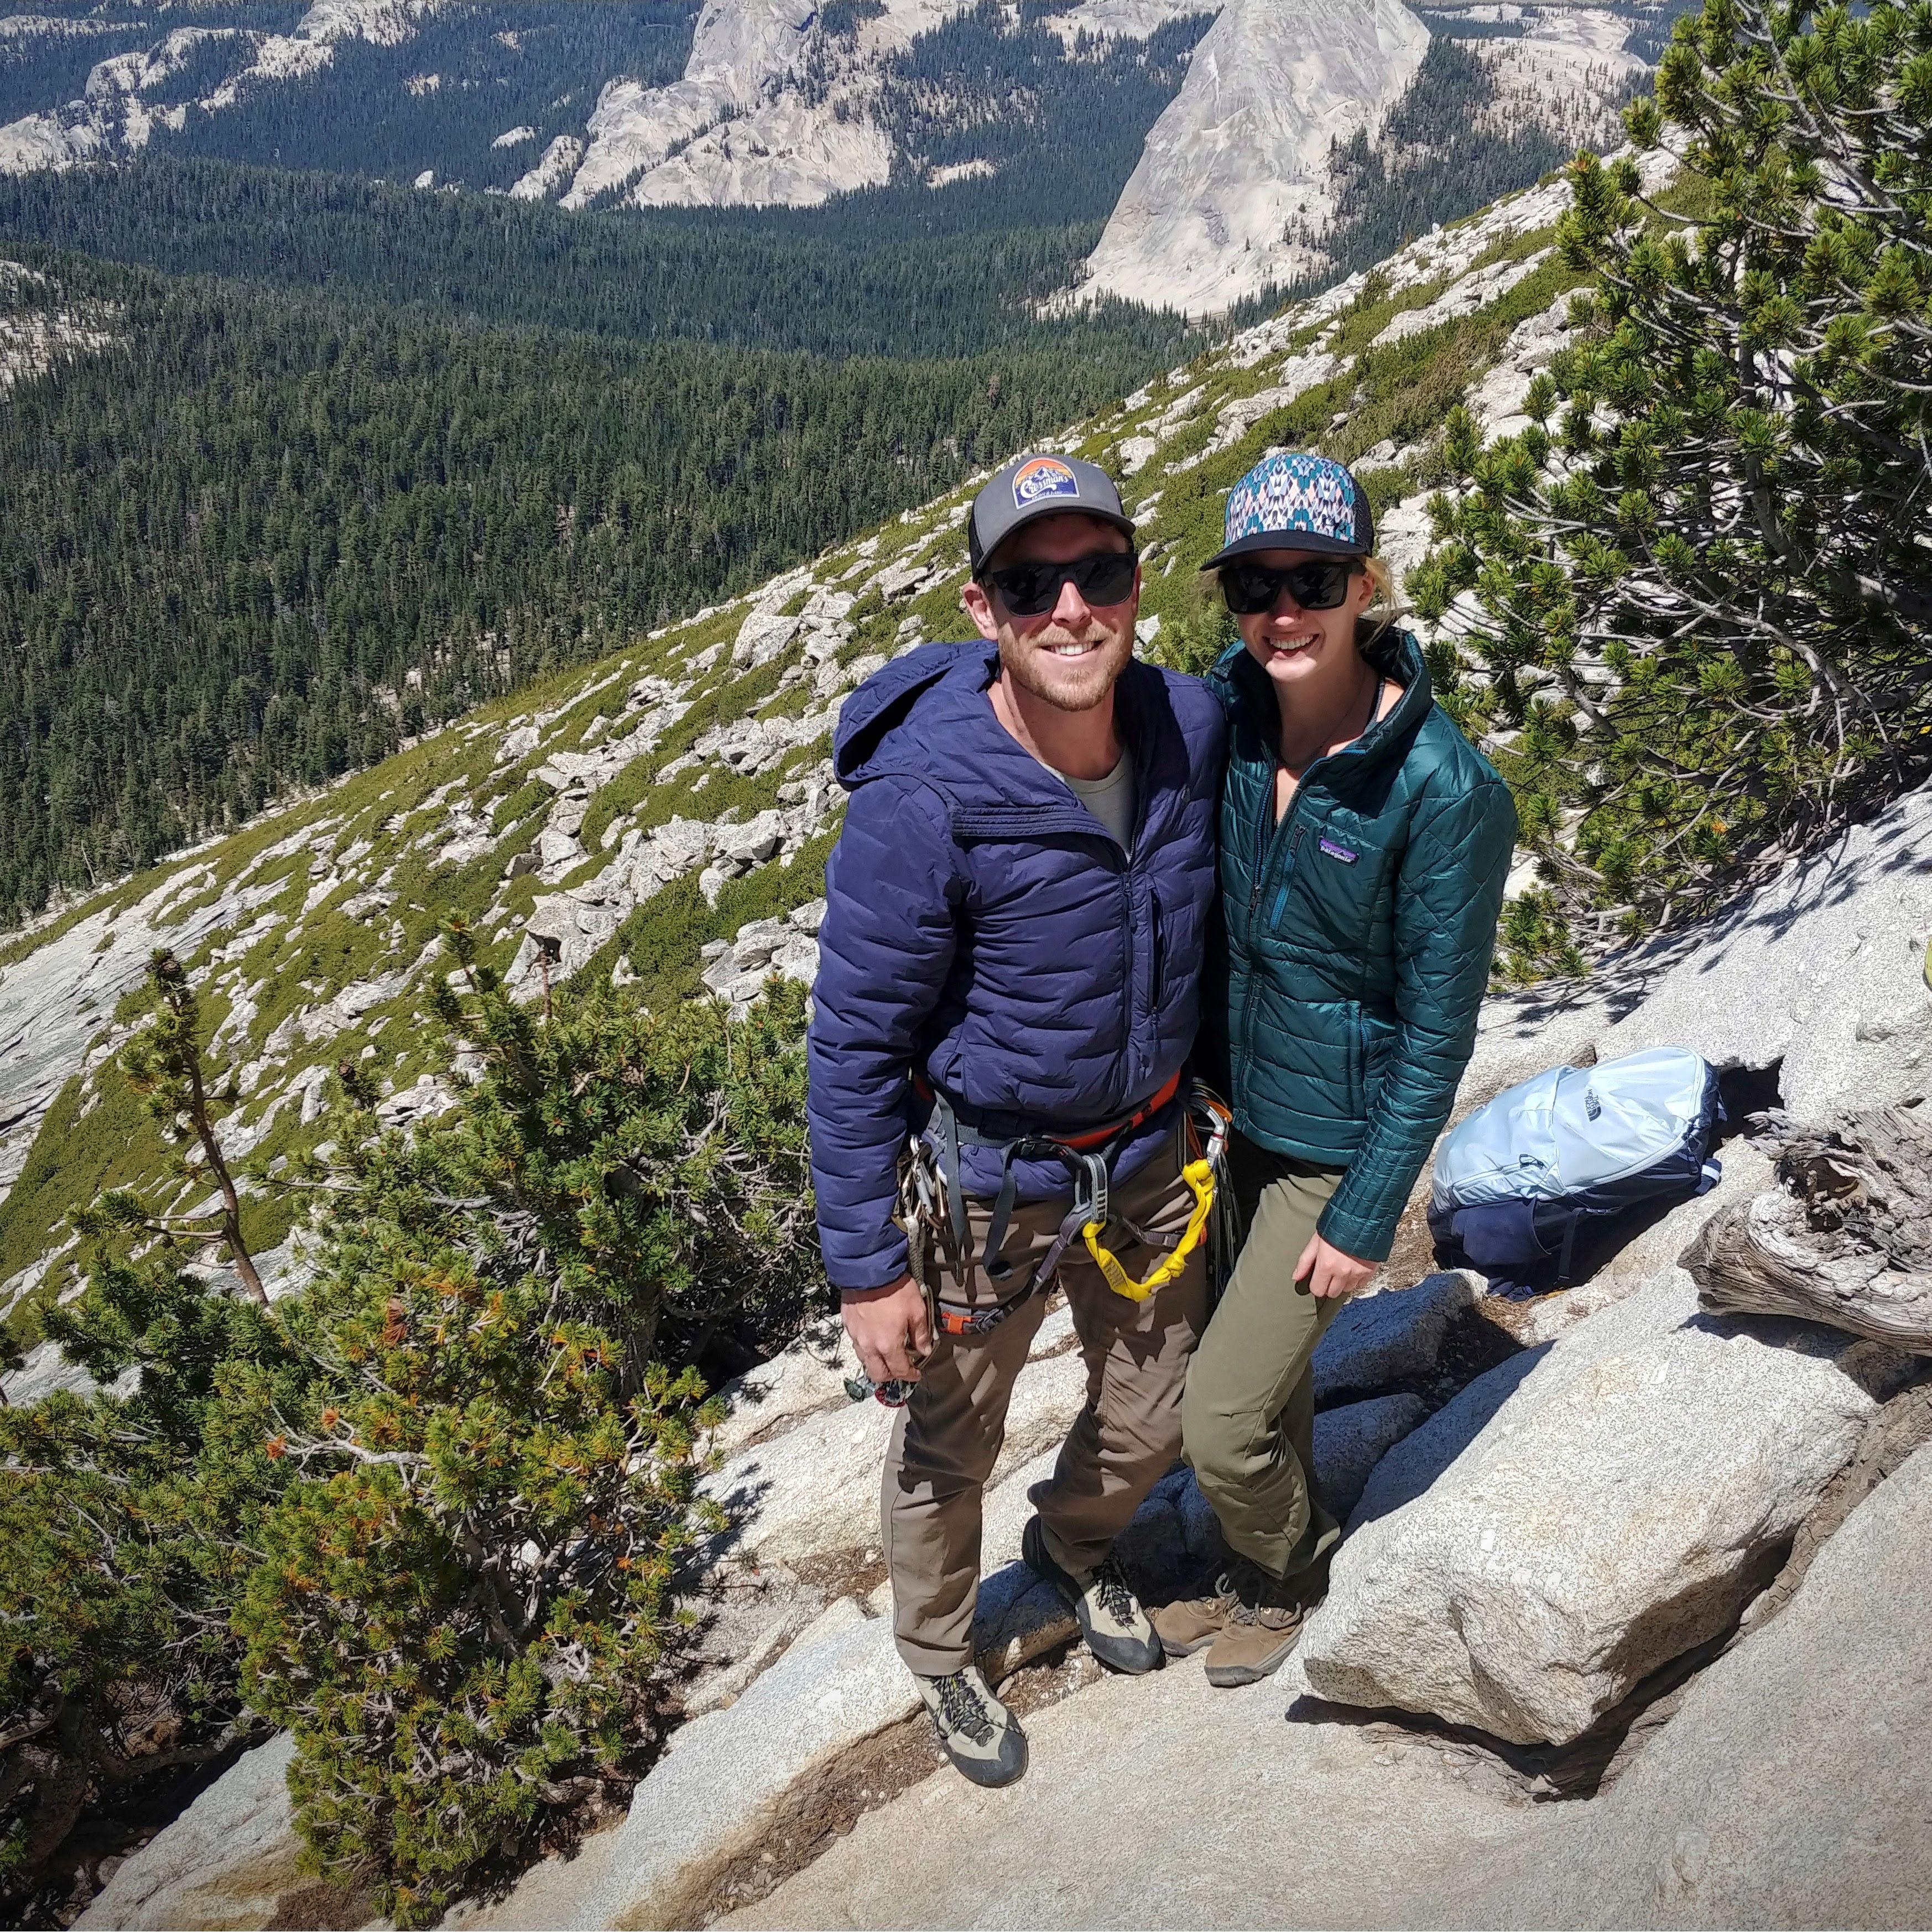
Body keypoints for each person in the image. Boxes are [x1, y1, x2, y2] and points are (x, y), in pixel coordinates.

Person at [806, 451, 1226, 1787]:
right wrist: (867, 1266)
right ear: (982, 610)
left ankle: (1074, 1546)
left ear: (1134, 587)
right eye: (1028, 583)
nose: (1068, 609)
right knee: (950, 1430)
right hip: (990, 1181)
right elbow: (854, 1047)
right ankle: (939, 1655)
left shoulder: (1188, 726)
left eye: (1095, 574)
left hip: (1153, 1151)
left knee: (1158, 1403)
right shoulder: (920, 805)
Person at [1149, 451, 1516, 1687]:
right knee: (1273, 1388)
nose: (1283, 611)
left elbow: (1437, 1033)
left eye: (1311, 579)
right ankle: (1250, 1569)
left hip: (1331, 1148)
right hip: (1235, 1120)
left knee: (1219, 1414)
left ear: (1367, 584)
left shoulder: (1443, 787)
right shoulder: (1231, 724)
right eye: (1256, 585)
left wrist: (1366, 1213)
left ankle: (1293, 1573)